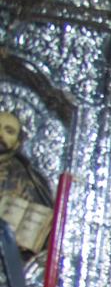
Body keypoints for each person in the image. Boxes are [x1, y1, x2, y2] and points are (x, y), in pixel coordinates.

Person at [0, 109, 54, 256]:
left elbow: (39, 231)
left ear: (17, 143)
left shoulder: (25, 178)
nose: (1, 135)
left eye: (9, 131)